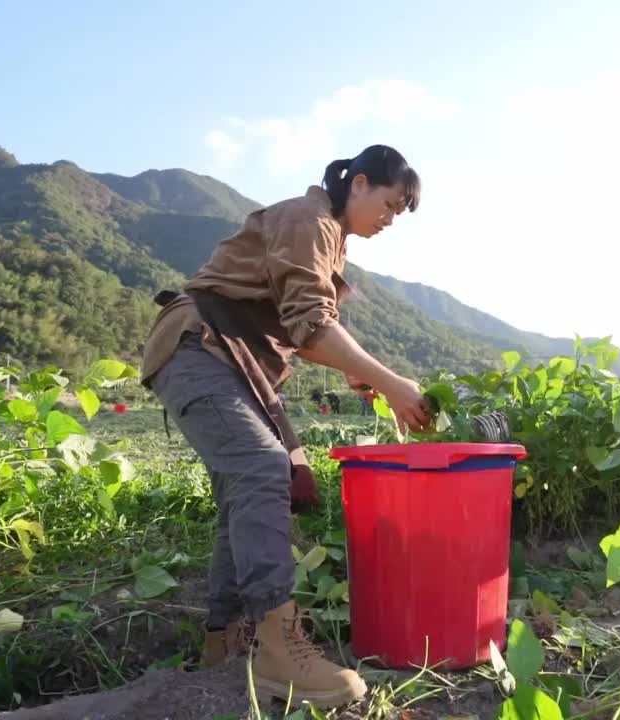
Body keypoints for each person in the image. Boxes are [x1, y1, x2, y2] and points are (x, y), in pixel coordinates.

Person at [138, 145, 432, 708]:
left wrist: (355, 370)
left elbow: (310, 330)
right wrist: (395, 385)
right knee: (263, 468)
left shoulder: (329, 236)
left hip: (226, 361)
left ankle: (229, 641)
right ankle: (279, 646)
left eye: (400, 213)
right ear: (361, 182)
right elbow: (313, 327)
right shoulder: (310, 220)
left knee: (241, 490)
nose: (391, 220)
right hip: (201, 352)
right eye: (390, 205)